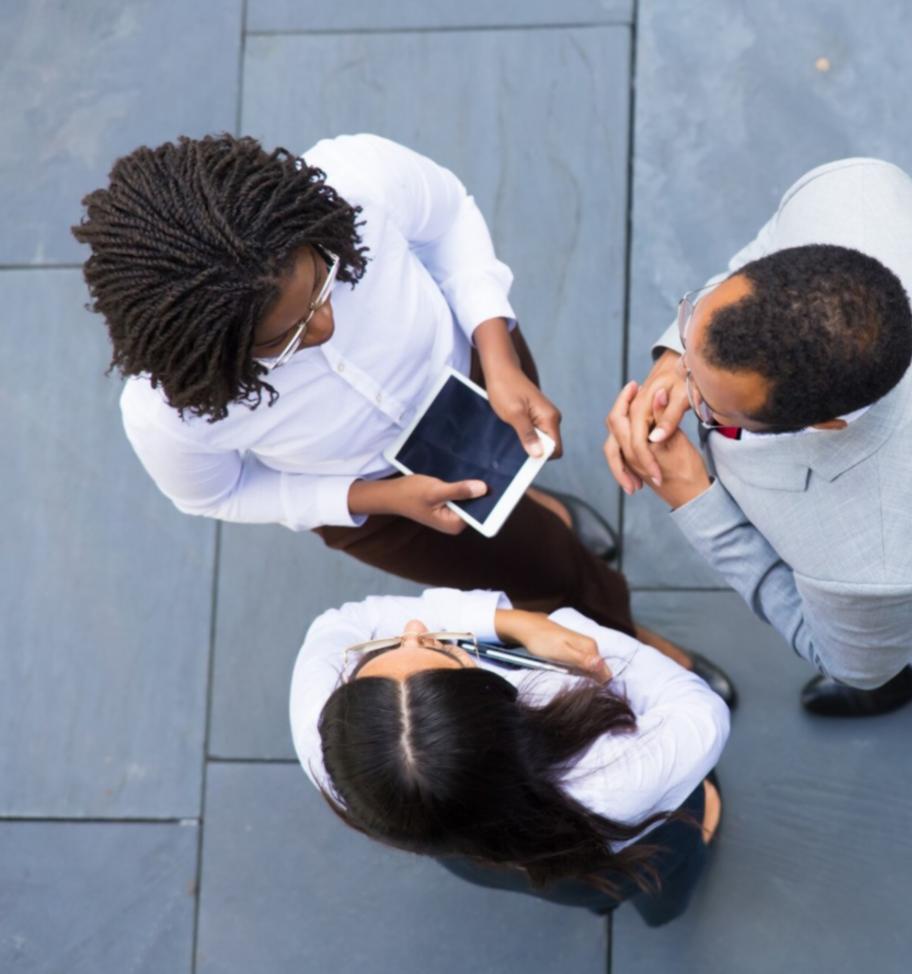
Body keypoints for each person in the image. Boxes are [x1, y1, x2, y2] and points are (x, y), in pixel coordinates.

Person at [72, 132, 732, 701]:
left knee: (528, 505)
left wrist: (497, 353)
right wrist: (377, 498)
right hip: (385, 502)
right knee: (544, 575)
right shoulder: (167, 411)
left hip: (475, 373)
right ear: (212, 350)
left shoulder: (355, 181)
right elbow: (218, 493)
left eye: (324, 286)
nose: (326, 325)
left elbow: (448, 217)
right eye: (284, 339)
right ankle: (621, 639)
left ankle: (547, 515)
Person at [604, 159, 912, 717]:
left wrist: (695, 499)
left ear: (824, 426)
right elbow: (763, 252)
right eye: (692, 325)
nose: (680, 394)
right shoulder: (855, 190)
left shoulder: (884, 567)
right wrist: (679, 359)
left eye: (710, 407)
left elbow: (848, 660)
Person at [289, 588, 727, 925]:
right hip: (615, 847)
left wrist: (516, 624)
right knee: (660, 867)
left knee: (578, 886)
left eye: (386, 649)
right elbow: (701, 711)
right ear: (498, 721)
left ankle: (602, 901)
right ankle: (663, 909)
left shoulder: (327, 735)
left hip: (464, 848)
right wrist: (570, 631)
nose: (414, 626)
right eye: (442, 650)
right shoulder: (611, 782)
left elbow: (345, 621)